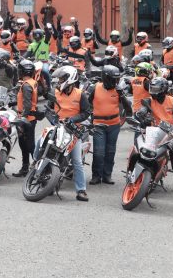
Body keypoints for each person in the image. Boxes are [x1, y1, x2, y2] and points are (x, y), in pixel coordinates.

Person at [50, 66, 89, 201]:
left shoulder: (80, 94)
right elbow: (48, 109)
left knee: (77, 161)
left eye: (62, 79)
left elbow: (86, 113)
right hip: (57, 129)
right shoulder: (55, 92)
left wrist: (72, 119)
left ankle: (81, 190)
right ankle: (40, 172)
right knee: (41, 145)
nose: (59, 81)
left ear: (70, 79)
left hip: (73, 131)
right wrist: (53, 119)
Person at [137, 77, 173, 192]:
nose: (153, 92)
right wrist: (142, 113)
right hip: (154, 131)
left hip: (170, 132)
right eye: (152, 89)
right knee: (142, 150)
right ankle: (137, 172)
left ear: (164, 90)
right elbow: (142, 109)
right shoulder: (148, 101)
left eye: (156, 89)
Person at [88, 65, 131, 185]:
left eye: (117, 79)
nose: (116, 82)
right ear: (106, 78)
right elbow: (86, 103)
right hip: (98, 124)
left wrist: (121, 94)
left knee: (110, 151)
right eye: (114, 79)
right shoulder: (95, 88)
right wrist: (90, 116)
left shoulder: (118, 90)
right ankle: (96, 176)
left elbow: (128, 108)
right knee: (99, 152)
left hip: (114, 125)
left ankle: (107, 175)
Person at [13, 60, 40, 178]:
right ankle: (25, 167)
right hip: (29, 118)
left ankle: (38, 169)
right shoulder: (32, 82)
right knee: (25, 144)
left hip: (26, 119)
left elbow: (27, 105)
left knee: (28, 145)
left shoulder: (26, 85)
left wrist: (22, 119)